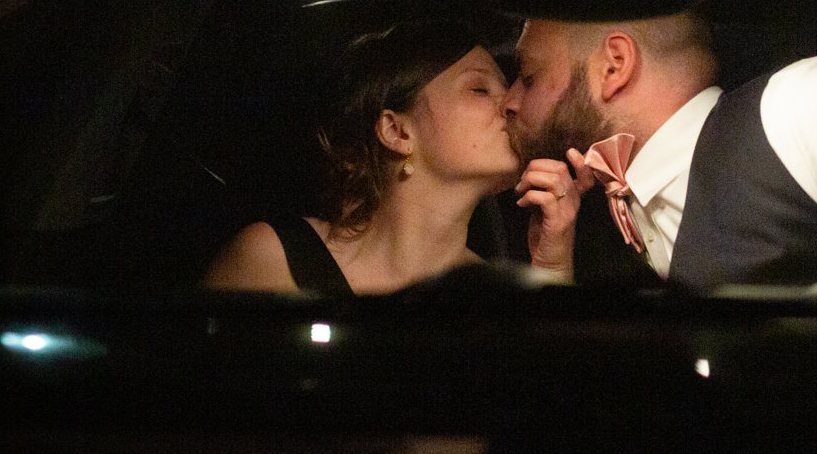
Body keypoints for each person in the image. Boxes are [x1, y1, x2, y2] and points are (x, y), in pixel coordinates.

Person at [502, 13, 817, 290]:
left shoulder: (816, 106)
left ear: (613, 66)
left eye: (528, 77)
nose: (510, 99)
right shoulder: (598, 210)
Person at [205, 19, 582, 295]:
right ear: (396, 132)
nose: (513, 104)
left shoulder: (494, 295)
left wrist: (552, 269)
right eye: (480, 89)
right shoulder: (272, 260)